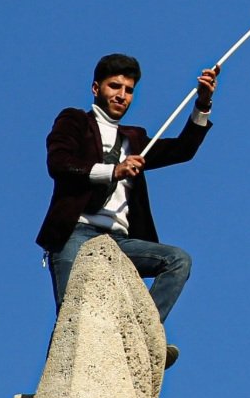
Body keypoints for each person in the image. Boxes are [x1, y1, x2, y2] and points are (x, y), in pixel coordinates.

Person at [37, 52, 219, 361]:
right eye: (115, 86)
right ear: (96, 88)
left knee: (177, 260)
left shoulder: (134, 138)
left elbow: (183, 150)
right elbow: (59, 163)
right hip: (77, 232)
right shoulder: (75, 121)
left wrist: (202, 103)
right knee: (74, 317)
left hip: (121, 241)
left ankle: (140, 333)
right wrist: (113, 171)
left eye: (129, 90)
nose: (122, 95)